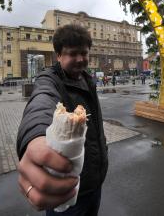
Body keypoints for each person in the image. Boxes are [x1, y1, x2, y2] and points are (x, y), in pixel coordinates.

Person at [17, 24, 108, 215]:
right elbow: (41, 102)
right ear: (58, 55)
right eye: (72, 53)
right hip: (66, 193)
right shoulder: (50, 79)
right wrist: (34, 136)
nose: (80, 59)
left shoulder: (87, 79)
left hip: (95, 183)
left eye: (84, 53)